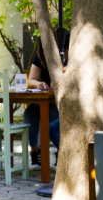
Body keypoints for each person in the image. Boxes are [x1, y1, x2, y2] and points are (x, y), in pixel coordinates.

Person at [23, 29, 69, 167]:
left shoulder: (67, 55)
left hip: (62, 103)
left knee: (53, 115)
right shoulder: (41, 56)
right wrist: (39, 83)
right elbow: (30, 80)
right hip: (46, 100)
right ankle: (34, 151)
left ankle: (60, 152)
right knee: (30, 112)